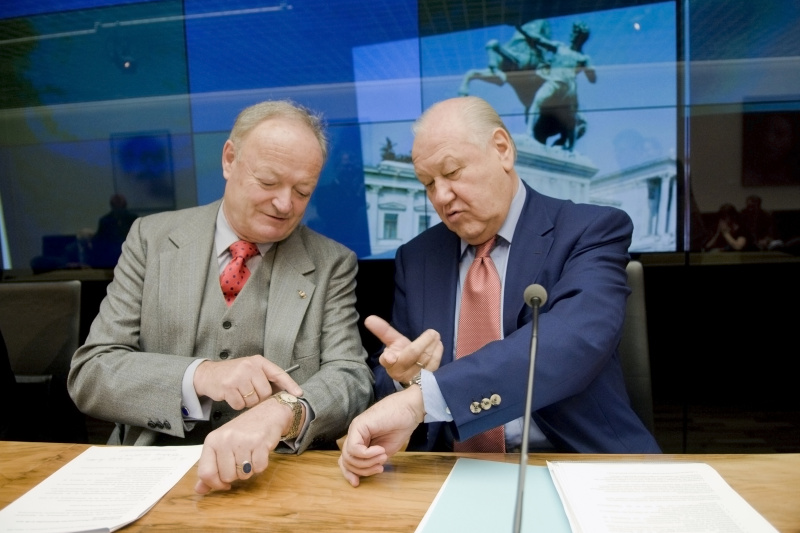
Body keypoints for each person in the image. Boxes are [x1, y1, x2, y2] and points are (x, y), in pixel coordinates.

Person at [338, 96, 660, 487]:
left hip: (576, 466)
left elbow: (573, 340)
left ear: (502, 150)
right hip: (448, 471)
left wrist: (423, 396)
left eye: (452, 172)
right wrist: (406, 380)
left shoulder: (589, 229)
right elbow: (400, 373)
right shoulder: (417, 257)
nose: (440, 196)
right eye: (427, 184)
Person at [68, 100, 374, 494]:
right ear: (229, 159)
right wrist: (200, 375)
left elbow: (350, 377)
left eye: (302, 191)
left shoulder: (332, 263)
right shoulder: (150, 239)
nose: (285, 205)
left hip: (275, 478)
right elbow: (92, 373)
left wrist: (286, 412)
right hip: (148, 474)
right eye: (268, 182)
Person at [519, 21, 596, 150]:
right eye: (574, 33)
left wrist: (589, 67)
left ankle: (570, 148)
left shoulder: (583, 58)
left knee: (571, 118)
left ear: (582, 38)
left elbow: (592, 79)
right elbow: (538, 39)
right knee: (537, 101)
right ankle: (529, 133)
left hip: (569, 87)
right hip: (554, 82)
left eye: (577, 34)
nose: (574, 36)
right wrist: (520, 28)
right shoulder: (559, 47)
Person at [91, 193, 139, 267]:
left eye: (121, 205)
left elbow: (137, 239)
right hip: (110, 257)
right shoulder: (105, 221)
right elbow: (99, 240)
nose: (119, 208)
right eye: (116, 205)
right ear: (112, 206)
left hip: (130, 254)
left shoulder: (133, 219)